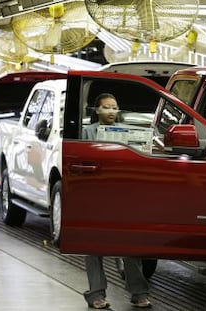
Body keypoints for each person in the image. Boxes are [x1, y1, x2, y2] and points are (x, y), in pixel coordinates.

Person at [82, 93, 151, 309]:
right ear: (97, 110)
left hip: (123, 195)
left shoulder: (128, 133)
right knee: (93, 246)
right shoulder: (87, 132)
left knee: (129, 245)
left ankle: (138, 292)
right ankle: (95, 294)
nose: (111, 111)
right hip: (97, 195)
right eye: (106, 108)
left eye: (114, 108)